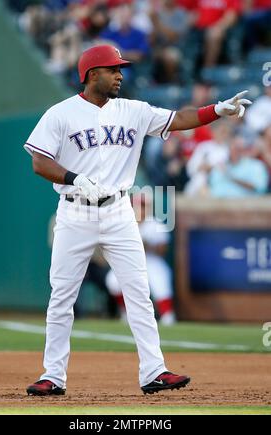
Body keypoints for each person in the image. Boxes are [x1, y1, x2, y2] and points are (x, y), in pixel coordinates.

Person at [24, 44, 251, 396]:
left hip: (118, 210)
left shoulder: (133, 110)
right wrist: (73, 178)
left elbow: (178, 120)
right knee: (62, 296)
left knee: (139, 293)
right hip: (75, 209)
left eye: (121, 69)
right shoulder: (61, 114)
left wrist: (216, 110)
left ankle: (154, 371)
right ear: (91, 74)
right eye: (113, 69)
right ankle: (53, 375)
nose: (120, 75)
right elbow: (39, 161)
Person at [105, 193, 176, 325]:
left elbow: (163, 250)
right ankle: (125, 312)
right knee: (112, 281)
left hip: (151, 260)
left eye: (142, 206)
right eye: (135, 206)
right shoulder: (124, 223)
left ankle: (167, 315)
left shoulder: (155, 224)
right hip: (129, 261)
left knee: (160, 282)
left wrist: (146, 245)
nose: (139, 209)